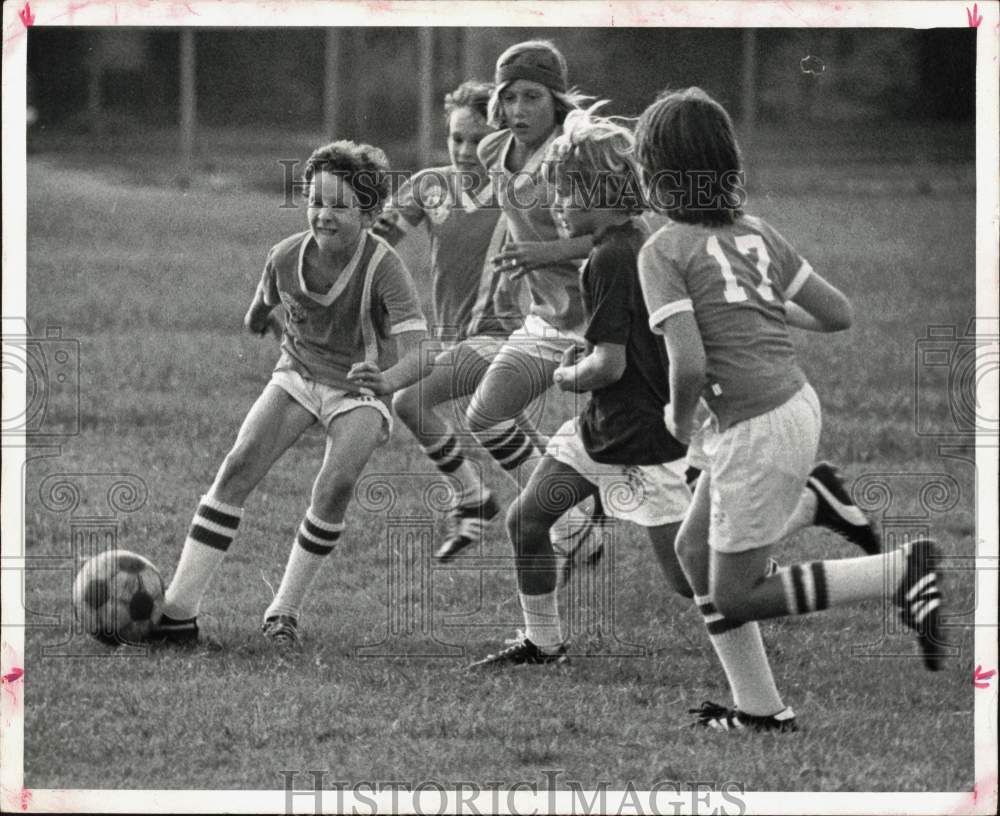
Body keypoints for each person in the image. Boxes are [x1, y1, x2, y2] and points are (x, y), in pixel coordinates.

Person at [635, 87, 946, 728]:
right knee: (695, 552)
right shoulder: (758, 232)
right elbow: (838, 314)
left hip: (755, 427)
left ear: (654, 174)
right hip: (792, 406)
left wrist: (678, 416)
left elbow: (688, 362)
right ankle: (761, 710)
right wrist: (759, 312)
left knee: (737, 594)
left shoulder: (662, 251)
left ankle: (898, 573)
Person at [153, 140, 429, 646]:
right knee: (237, 467)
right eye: (316, 201)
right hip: (299, 375)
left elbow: (421, 353)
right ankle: (177, 614)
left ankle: (283, 610)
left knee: (335, 486)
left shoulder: (384, 267)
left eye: (340, 206)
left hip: (358, 389)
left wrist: (386, 382)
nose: (324, 215)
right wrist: (258, 317)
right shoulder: (284, 254)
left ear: (368, 213)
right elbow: (265, 301)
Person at [427, 40, 607, 563]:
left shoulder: (571, 157)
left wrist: (546, 251)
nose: (519, 110)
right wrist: (506, 271)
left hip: (602, 323)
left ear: (556, 100)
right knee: (484, 416)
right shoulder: (492, 151)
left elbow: (619, 235)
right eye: (509, 98)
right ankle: (574, 526)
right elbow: (510, 217)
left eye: (533, 97)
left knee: (649, 452)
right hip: (546, 322)